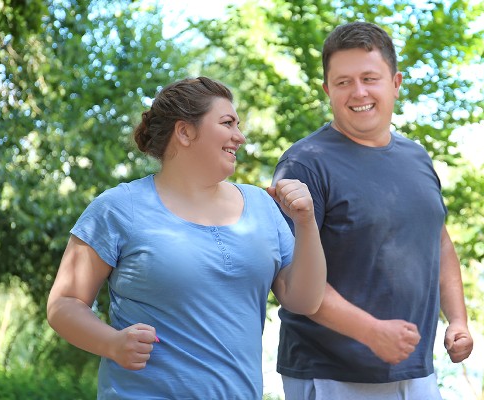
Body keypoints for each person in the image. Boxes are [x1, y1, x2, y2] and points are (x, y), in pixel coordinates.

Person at [46, 76, 326, 399]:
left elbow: (305, 300)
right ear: (185, 132)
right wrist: (111, 343)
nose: (240, 136)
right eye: (227, 123)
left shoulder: (262, 206)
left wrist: (306, 223)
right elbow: (64, 304)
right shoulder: (119, 208)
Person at [273, 21, 474, 399]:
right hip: (331, 374)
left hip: (416, 371)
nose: (358, 92)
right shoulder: (304, 164)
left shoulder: (417, 157)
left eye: (370, 78)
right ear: (327, 90)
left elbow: (440, 244)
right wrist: (370, 331)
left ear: (395, 83)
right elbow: (289, 280)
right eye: (343, 81)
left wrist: (458, 321)